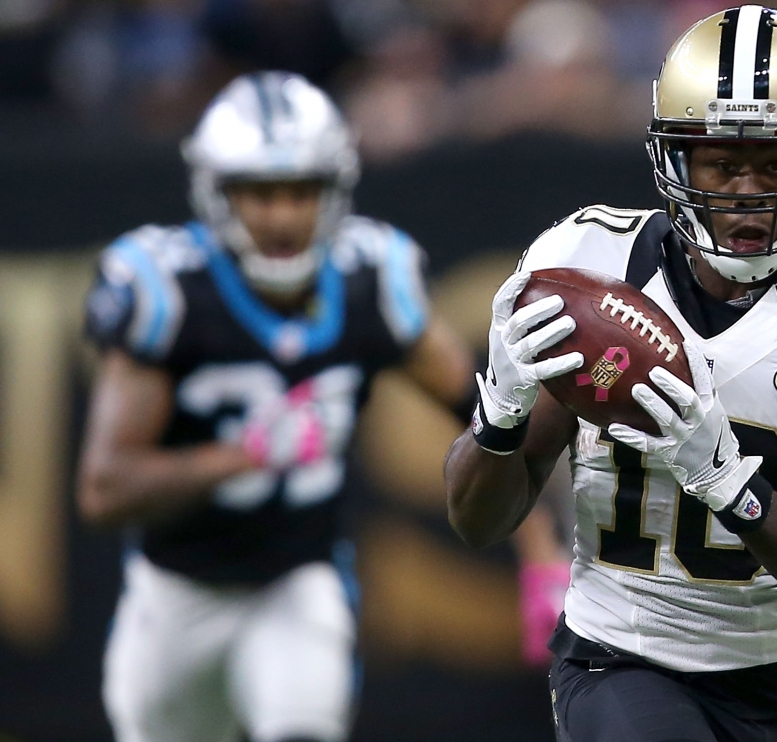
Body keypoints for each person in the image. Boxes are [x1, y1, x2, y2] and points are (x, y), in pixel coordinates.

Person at [444, 5, 777, 741]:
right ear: (676, 159)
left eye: (775, 163)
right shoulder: (589, 265)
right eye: (721, 161)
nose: (746, 190)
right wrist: (502, 413)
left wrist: (731, 488)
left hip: (776, 673)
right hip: (618, 654)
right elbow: (477, 522)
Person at [75, 71, 479, 742]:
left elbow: (494, 422)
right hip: (176, 590)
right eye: (260, 194)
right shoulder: (168, 291)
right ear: (216, 193)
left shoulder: (370, 278)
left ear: (336, 191)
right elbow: (103, 489)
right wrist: (247, 455)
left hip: (297, 581)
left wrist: (547, 549)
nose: (284, 216)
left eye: (302, 192)